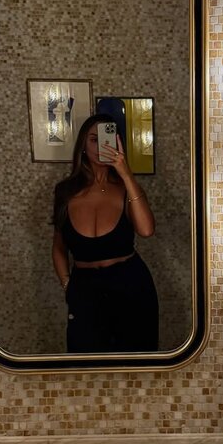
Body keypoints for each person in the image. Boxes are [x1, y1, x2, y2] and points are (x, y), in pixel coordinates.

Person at [52, 114, 159, 353]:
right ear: (82, 146)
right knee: (85, 360)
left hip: (130, 284)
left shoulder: (126, 189)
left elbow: (146, 230)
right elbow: (58, 246)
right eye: (94, 140)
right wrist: (67, 284)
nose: (102, 146)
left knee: (136, 360)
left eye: (107, 139)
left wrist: (126, 173)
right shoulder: (65, 192)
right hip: (84, 287)